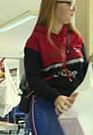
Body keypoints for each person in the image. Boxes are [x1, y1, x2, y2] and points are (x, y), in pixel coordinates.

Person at [24, 0, 93, 135]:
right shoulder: (36, 40)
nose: (74, 9)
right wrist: (55, 97)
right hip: (47, 104)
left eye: (75, 5)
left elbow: (82, 74)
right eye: (70, 4)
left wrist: (90, 66)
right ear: (53, 6)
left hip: (75, 105)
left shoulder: (76, 38)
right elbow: (33, 78)